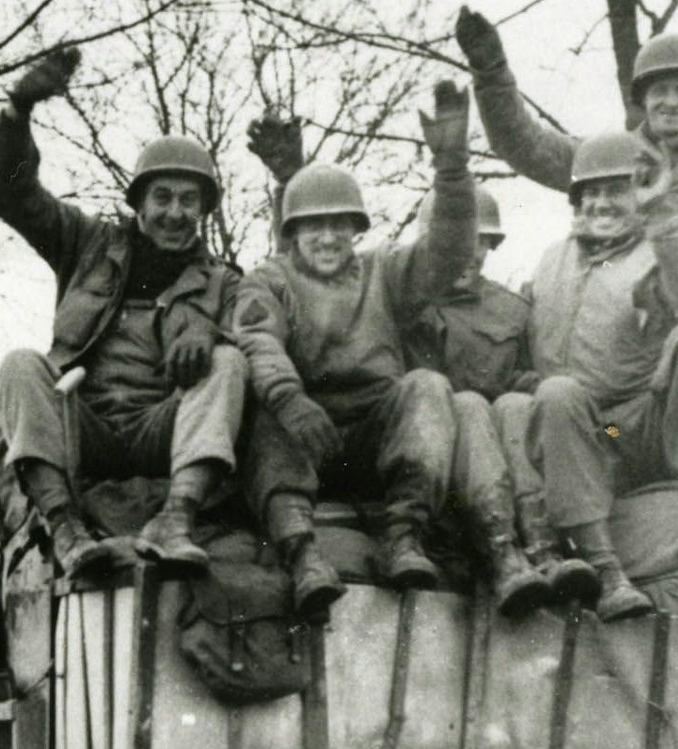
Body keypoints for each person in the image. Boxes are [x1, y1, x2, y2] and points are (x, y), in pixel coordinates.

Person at [233, 83, 549, 617]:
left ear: (358, 231)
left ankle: (404, 534)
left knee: (430, 387)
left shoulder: (385, 272)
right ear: (293, 231)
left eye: (340, 225)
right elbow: (259, 340)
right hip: (306, 434)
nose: (328, 237)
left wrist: (451, 172)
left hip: (380, 439)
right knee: (266, 407)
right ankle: (303, 551)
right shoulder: (269, 280)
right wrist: (290, 397)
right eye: (314, 225)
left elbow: (445, 252)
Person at [456, 10, 678, 477]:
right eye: (660, 91)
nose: (672, 102)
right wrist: (491, 72)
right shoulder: (610, 158)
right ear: (643, 98)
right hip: (623, 313)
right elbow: (525, 144)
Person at [0, 46, 247, 578]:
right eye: (163, 197)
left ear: (203, 210)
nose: (175, 213)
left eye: (189, 201)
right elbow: (11, 195)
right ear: (139, 203)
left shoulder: (224, 281)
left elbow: (265, 336)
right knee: (18, 364)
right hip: (84, 425)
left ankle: (176, 519)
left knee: (229, 366)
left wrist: (215, 336)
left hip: (165, 430)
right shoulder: (86, 244)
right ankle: (66, 529)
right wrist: (19, 110)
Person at [521, 130, 678, 622]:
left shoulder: (658, 251)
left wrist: (662, 213)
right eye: (591, 192)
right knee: (555, 392)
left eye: (616, 190)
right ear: (577, 201)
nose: (602, 203)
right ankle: (606, 571)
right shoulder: (549, 263)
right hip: (595, 436)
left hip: (643, 430)